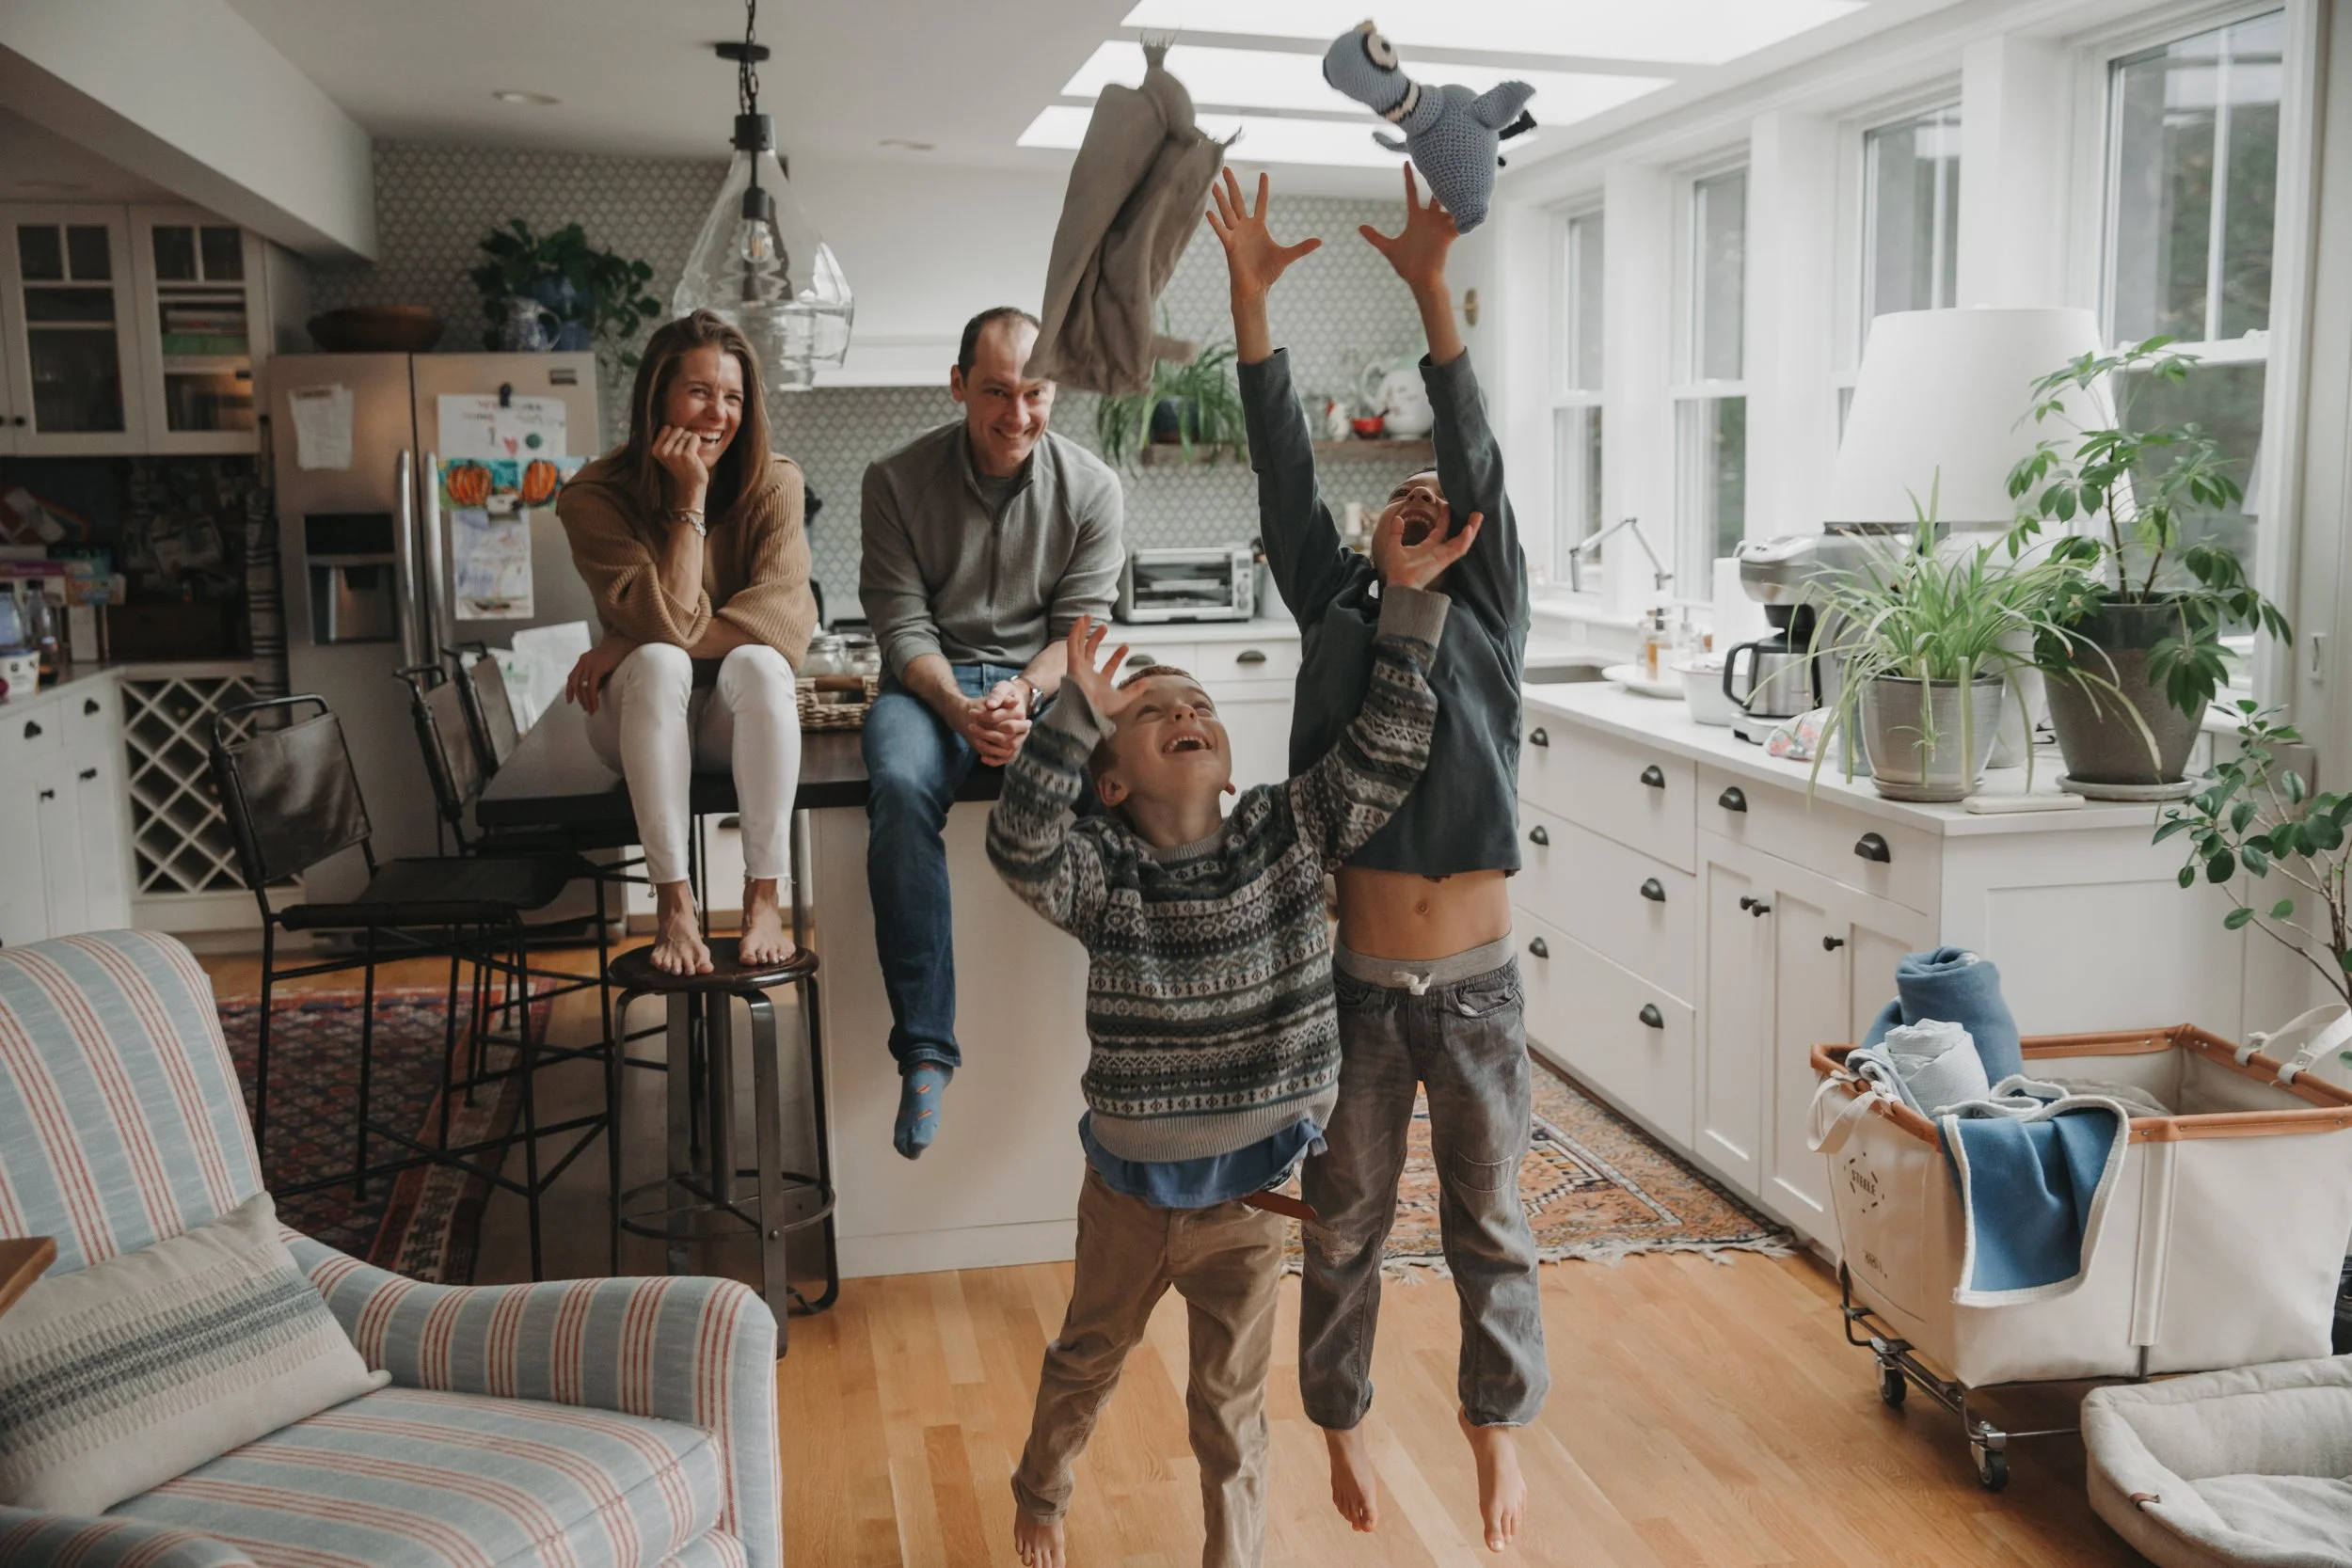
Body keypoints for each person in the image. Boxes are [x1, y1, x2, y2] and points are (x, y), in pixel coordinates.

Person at [986, 512, 1468, 1568]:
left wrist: (1409, 606)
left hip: (1252, 1203)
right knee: (1086, 1358)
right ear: (1110, 779)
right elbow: (1019, 843)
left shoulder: (1285, 833)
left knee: (1228, 1410)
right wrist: (1072, 714)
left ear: (1226, 753)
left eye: (1197, 704)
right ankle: (1040, 1490)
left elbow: (1387, 749)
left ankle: (1233, 1555)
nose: (1184, 710)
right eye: (1151, 710)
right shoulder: (1102, 873)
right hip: (1127, 1194)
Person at [1209, 166, 1545, 1552]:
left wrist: (1428, 289)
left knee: (1491, 1225)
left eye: (1441, 495)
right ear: (1367, 536)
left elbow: (1471, 447)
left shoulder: (1488, 618)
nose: (1422, 494)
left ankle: (1496, 1436)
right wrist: (1248, 297)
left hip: (1472, 986)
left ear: (1462, 532)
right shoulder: (1340, 611)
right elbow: (1283, 458)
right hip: (1357, 987)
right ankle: (1340, 1420)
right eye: (1395, 495)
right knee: (1343, 1226)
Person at [860, 306, 1124, 1159]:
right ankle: (926, 1049)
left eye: (1036, 391)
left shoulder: (1092, 488)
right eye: (997, 391)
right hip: (927, 687)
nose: (1018, 414)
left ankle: (1134, 1032)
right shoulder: (895, 480)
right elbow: (903, 629)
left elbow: (1077, 632)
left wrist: (1019, 694)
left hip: (1036, 688)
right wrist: (961, 707)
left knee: (1125, 796)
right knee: (899, 788)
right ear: (959, 387)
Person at [556, 310, 818, 976]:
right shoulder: (593, 495)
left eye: (732, 397)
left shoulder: (775, 483)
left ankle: (764, 896)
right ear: (658, 397)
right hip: (631, 717)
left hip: (732, 720)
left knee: (758, 663)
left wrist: (622, 634)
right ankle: (675, 906)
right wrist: (689, 500)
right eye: (699, 392)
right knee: (657, 658)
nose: (718, 413)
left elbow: (785, 629)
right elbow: (667, 626)